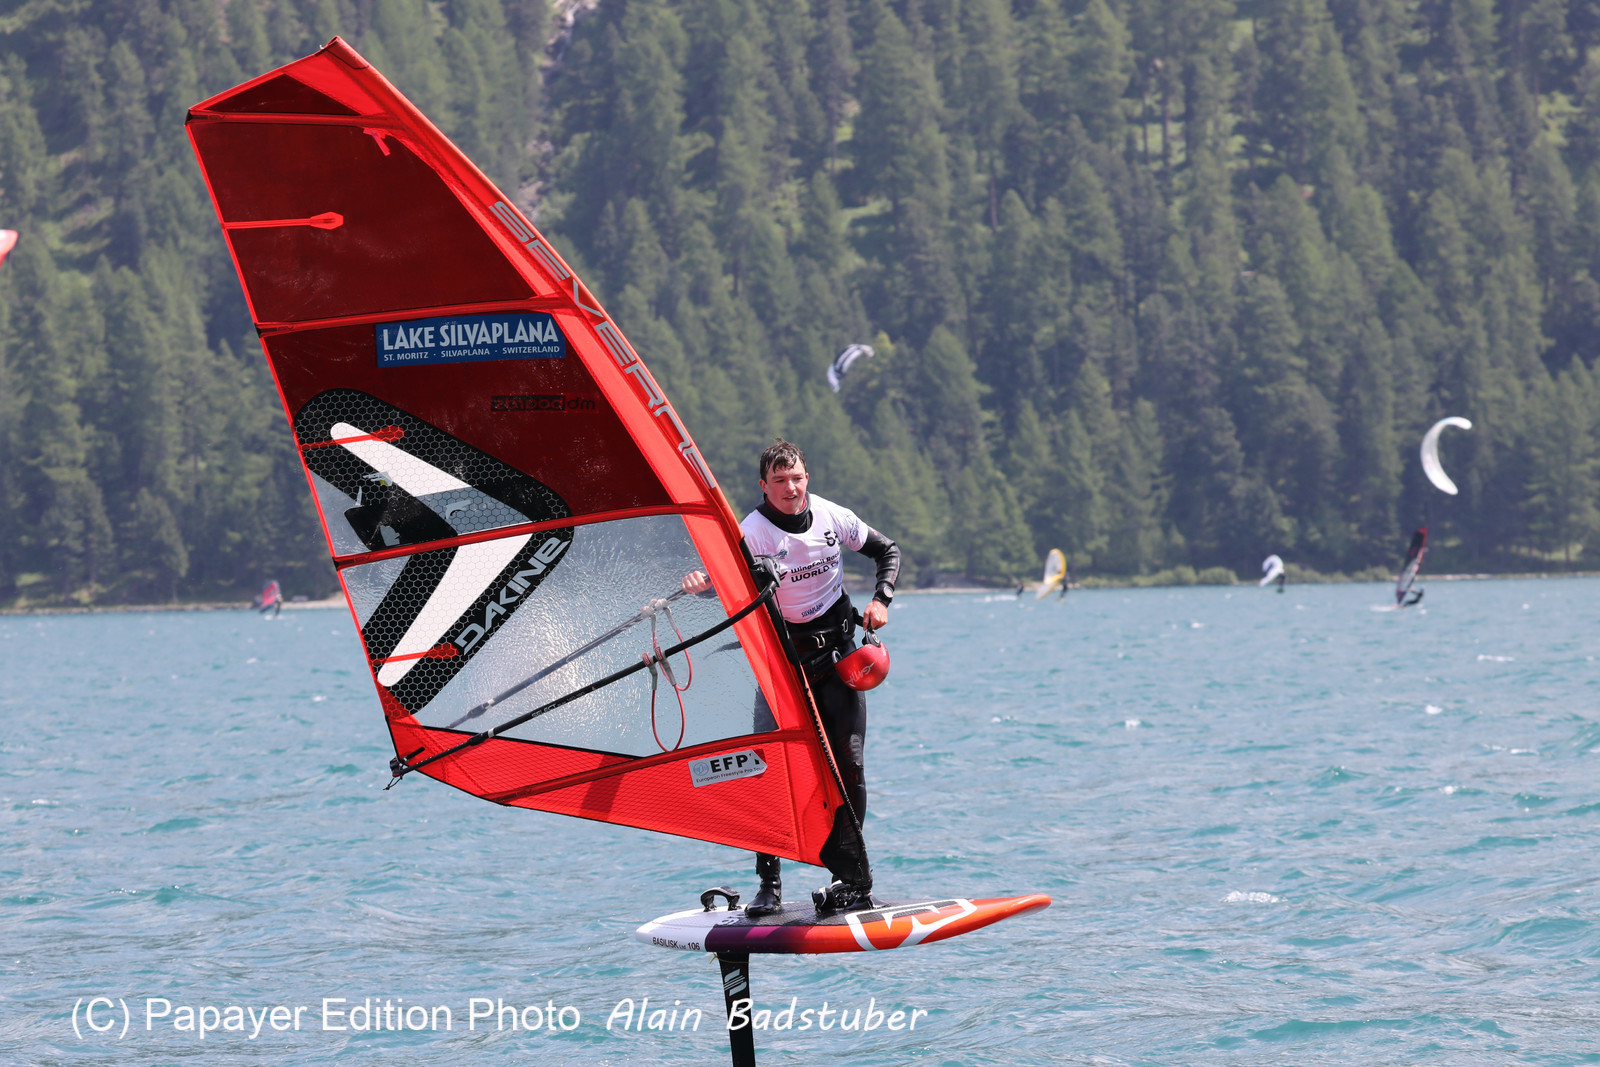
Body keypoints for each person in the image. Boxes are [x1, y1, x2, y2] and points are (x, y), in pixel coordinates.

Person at [681, 439, 899, 915]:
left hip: (840, 655)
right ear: (764, 486)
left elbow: (888, 550)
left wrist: (881, 598)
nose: (790, 488)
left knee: (852, 763)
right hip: (784, 667)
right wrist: (701, 585)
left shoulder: (829, 517)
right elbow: (724, 585)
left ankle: (851, 881)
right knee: (772, 769)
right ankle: (769, 886)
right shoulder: (754, 533)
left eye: (796, 478)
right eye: (779, 481)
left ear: (807, 478)